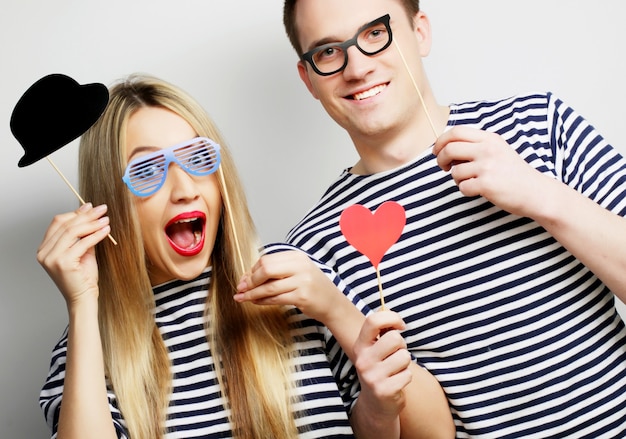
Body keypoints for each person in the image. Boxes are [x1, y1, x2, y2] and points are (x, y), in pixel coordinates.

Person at [273, 0, 626, 437]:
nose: (357, 68)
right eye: (328, 52)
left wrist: (542, 195)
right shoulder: (312, 251)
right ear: (308, 78)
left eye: (374, 34)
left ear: (420, 32)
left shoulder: (537, 124)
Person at [36, 74, 452, 439]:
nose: (184, 189)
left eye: (196, 158)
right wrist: (83, 301)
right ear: (108, 200)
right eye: (147, 171)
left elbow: (434, 432)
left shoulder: (294, 280)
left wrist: (337, 312)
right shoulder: (86, 345)